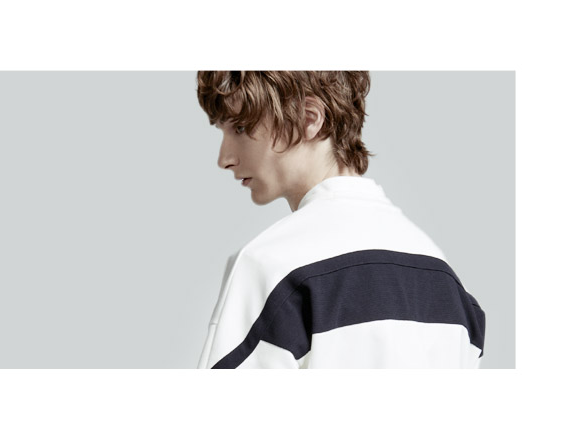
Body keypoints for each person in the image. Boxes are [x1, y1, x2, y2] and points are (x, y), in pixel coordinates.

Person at [194, 71, 486, 368]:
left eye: (241, 128)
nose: (224, 159)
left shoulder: (270, 266)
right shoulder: (446, 281)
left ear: (309, 118)